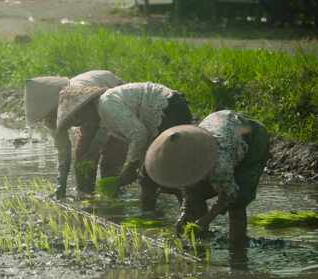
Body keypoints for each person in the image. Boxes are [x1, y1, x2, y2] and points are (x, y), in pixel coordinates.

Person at [144, 110, 270, 246]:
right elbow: (189, 188)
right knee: (196, 194)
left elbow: (230, 194)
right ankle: (202, 243)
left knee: (237, 205)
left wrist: (206, 219)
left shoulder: (219, 164)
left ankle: (238, 249)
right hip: (222, 125)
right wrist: (184, 212)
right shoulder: (185, 153)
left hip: (252, 138)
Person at [81, 82, 193, 210]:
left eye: (82, 117)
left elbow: (139, 134)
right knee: (159, 174)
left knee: (148, 178)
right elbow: (106, 137)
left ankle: (151, 218)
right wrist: (91, 153)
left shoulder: (106, 105)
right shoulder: (104, 110)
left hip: (168, 109)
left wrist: (130, 166)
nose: (85, 122)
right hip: (173, 106)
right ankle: (181, 211)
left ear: (88, 107)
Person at [25, 70, 126, 199]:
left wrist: (95, 148)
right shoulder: (49, 118)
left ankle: (114, 196)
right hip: (90, 119)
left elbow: (107, 123)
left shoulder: (77, 95)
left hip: (112, 105)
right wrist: (61, 184)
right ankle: (86, 195)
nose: (50, 119)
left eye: (52, 113)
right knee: (82, 157)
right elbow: (63, 151)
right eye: (47, 116)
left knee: (111, 156)